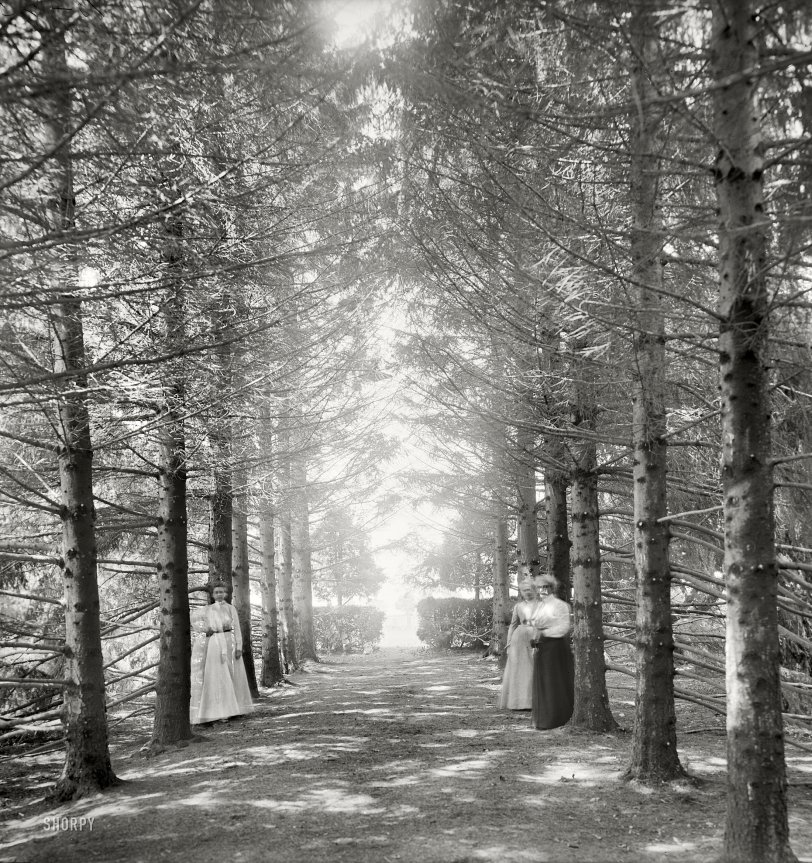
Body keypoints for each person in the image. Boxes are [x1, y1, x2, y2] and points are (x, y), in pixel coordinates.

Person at [190, 582, 254, 725]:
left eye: (221, 592)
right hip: (214, 642)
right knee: (214, 674)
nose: (219, 594)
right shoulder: (208, 609)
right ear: (212, 595)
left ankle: (230, 709)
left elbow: (237, 628)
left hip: (228, 640)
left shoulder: (231, 608)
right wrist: (205, 629)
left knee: (228, 673)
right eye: (216, 592)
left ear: (225, 594)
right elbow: (193, 619)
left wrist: (239, 646)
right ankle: (214, 711)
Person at [529, 574, 574, 730]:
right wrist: (535, 639)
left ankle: (557, 718)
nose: (542, 590)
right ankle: (543, 719)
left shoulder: (560, 605)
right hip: (542, 648)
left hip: (556, 647)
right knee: (543, 683)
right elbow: (536, 625)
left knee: (555, 682)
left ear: (552, 588)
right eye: (539, 587)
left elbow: (564, 627)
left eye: (546, 587)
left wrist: (545, 633)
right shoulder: (539, 606)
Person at [499, 578, 540, 710]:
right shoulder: (518, 606)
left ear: (535, 590)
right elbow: (512, 625)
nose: (527, 592)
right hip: (519, 639)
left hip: (536, 637)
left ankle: (533, 702)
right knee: (519, 670)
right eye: (524, 590)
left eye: (529, 589)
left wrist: (538, 640)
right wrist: (509, 644)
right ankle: (518, 703)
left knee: (532, 669)